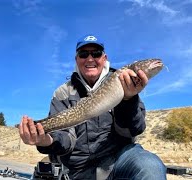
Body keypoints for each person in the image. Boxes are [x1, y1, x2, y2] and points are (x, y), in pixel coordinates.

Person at [19, 34, 167, 180]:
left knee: (150, 165)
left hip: (117, 161)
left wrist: (128, 99)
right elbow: (66, 139)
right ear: (76, 60)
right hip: (77, 169)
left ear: (104, 58)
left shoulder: (124, 80)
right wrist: (46, 140)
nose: (90, 59)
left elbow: (133, 130)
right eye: (83, 54)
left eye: (96, 53)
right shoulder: (62, 93)